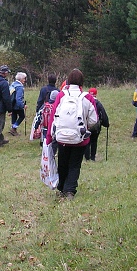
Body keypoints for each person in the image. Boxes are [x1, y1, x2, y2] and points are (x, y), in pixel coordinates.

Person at [45, 68, 98, 199]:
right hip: (79, 138)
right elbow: (94, 120)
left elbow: (53, 117)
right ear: (82, 82)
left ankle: (62, 187)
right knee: (75, 164)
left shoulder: (61, 95)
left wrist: (49, 137)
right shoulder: (88, 97)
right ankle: (70, 190)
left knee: (62, 162)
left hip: (62, 137)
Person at [84, 88, 110, 162]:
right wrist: (106, 124)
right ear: (96, 94)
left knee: (87, 141)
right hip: (96, 127)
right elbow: (103, 115)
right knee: (94, 142)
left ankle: (87, 157)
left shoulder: (86, 102)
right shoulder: (98, 104)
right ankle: (93, 157)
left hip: (87, 126)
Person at [9, 72, 27, 136]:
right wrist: (22, 105)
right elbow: (18, 98)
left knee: (14, 116)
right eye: (24, 79)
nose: (25, 80)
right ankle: (14, 128)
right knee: (22, 116)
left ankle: (13, 129)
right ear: (21, 79)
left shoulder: (13, 84)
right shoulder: (19, 87)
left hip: (12, 104)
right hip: (17, 105)